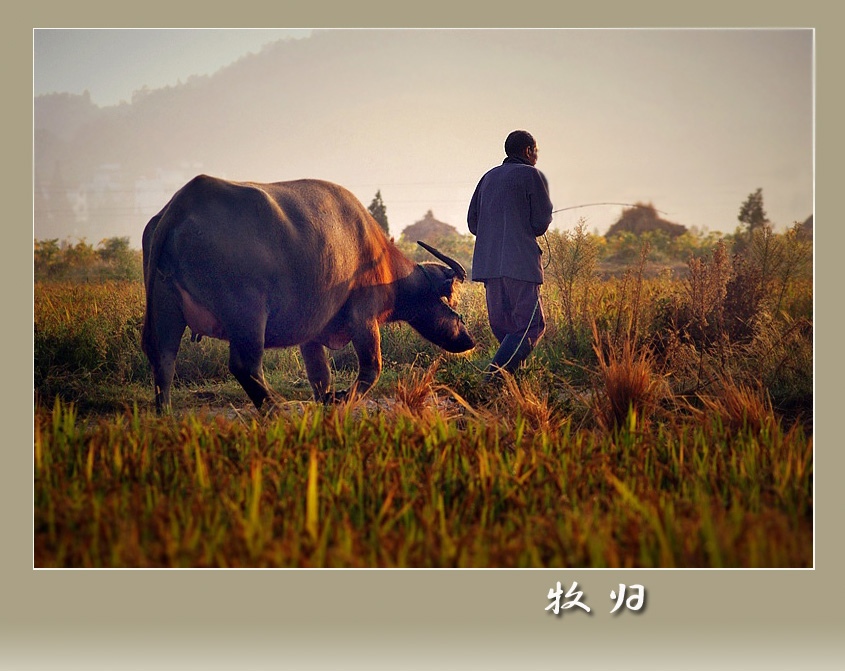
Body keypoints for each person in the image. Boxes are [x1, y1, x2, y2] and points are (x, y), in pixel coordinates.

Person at [467, 130, 554, 382]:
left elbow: (473, 224)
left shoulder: (487, 178)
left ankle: (509, 388)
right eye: (535, 150)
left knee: (506, 329)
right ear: (528, 151)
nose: (536, 156)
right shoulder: (532, 175)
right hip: (520, 265)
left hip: (490, 267)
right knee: (530, 326)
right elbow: (539, 222)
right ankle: (491, 380)